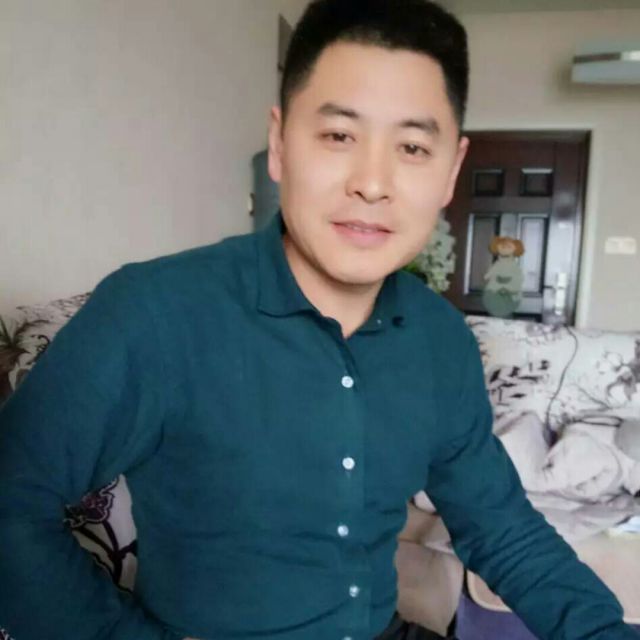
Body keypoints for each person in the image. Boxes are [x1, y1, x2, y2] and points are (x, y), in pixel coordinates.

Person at [0, 1, 637, 639]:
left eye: (413, 147)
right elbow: (11, 503)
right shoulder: (155, 313)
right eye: (338, 136)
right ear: (280, 146)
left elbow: (502, 529)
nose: (372, 183)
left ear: (450, 171)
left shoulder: (442, 340)